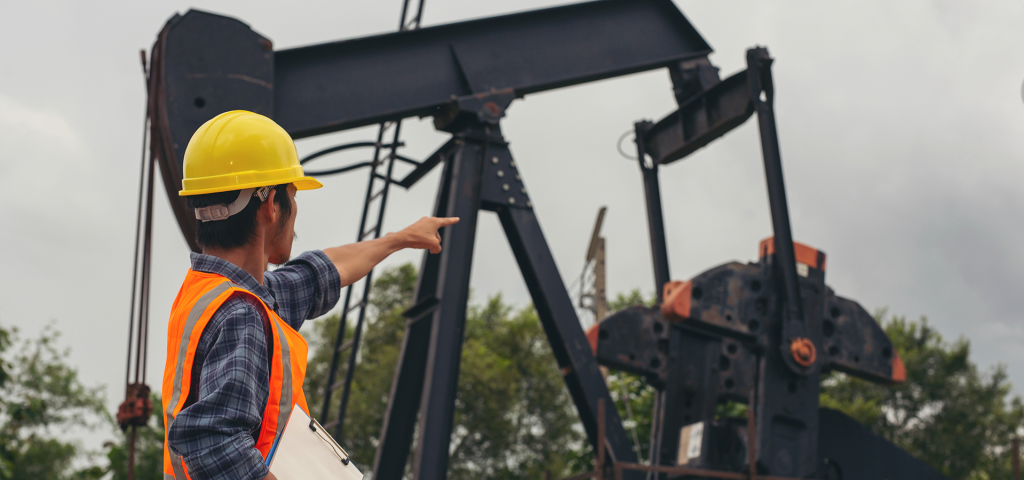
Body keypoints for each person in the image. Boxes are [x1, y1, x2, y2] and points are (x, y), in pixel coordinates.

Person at [160, 110, 457, 480]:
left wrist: (398, 240)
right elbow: (213, 443)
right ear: (270, 205)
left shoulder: (211, 292)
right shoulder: (242, 313)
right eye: (293, 195)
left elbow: (319, 273)